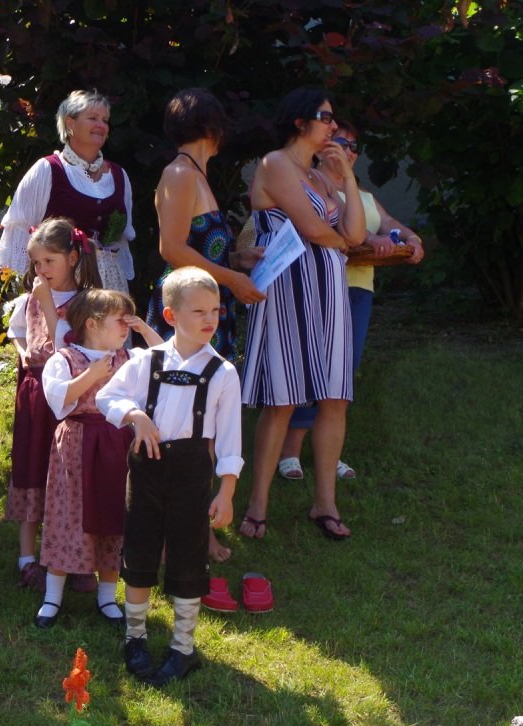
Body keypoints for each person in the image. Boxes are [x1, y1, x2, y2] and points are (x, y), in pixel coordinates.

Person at [97, 268, 243, 686]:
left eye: (215, 310)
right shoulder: (147, 361)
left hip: (192, 471)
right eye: (198, 311)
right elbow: (107, 396)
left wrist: (227, 492)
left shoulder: (223, 373)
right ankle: (135, 637)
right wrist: (135, 415)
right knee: (140, 548)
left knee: (188, 553)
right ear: (170, 315)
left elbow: (230, 440)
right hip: (146, 467)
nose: (209, 318)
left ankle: (183, 647)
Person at [239, 88, 365, 542]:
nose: (333, 126)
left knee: (334, 396)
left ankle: (325, 504)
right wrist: (341, 241)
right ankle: (257, 506)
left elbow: (355, 232)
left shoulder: (319, 175)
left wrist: (347, 178)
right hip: (289, 289)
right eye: (325, 117)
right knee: (282, 397)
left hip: (329, 291)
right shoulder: (276, 163)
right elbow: (313, 229)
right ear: (299, 122)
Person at [148, 88, 266, 568]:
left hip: (205, 311)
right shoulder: (180, 173)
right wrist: (232, 278)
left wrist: (237, 258)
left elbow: (200, 248)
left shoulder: (196, 175)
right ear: (211, 127)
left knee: (206, 422)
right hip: (188, 314)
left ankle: (194, 527)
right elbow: (172, 249)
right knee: (182, 424)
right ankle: (174, 534)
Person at [277, 118, 425, 481]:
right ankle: (290, 451)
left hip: (359, 290)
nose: (349, 151)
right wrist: (370, 240)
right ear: (323, 147)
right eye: (341, 143)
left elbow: (388, 223)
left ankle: (329, 453)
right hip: (322, 284)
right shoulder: (311, 184)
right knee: (313, 368)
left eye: (354, 146)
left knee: (342, 374)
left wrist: (410, 238)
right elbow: (335, 229)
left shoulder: (363, 195)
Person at [36, 289, 162, 630]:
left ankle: (107, 596)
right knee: (69, 514)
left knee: (113, 515)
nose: (126, 327)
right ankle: (52, 597)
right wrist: (90, 375)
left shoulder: (129, 357)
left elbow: (166, 358)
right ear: (92, 324)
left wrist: (145, 329)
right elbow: (57, 397)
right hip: (77, 444)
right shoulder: (64, 359)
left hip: (116, 444)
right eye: (120, 320)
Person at [5, 217, 99, 591]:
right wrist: (24, 351)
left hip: (71, 398)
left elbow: (67, 348)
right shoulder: (29, 299)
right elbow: (17, 331)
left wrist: (47, 305)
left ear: (72, 258)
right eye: (36, 262)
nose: (41, 269)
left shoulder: (87, 303)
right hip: (36, 394)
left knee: (70, 474)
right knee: (32, 468)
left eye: (49, 261)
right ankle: (27, 560)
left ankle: (76, 560)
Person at [0, 89, 136, 294]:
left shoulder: (118, 175)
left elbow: (122, 239)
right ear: (70, 124)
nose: (101, 125)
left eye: (105, 120)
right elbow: (20, 230)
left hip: (109, 286)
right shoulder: (47, 170)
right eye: (93, 118)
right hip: (61, 286)